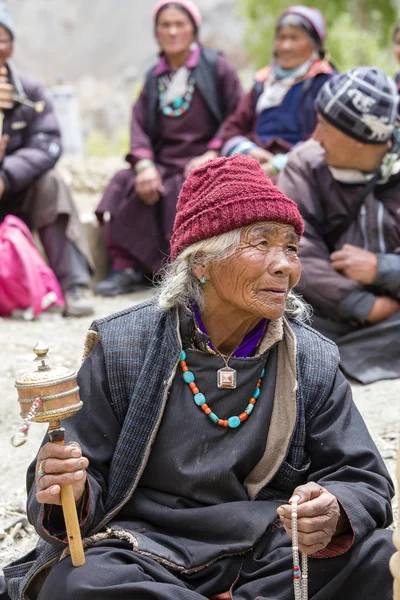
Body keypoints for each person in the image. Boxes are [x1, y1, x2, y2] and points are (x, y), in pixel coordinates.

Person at [3, 154, 394, 600]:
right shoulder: (123, 344)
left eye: (290, 247)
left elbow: (364, 477)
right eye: (261, 242)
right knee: (82, 581)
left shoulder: (311, 358)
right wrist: (68, 489)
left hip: (264, 545)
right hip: (146, 545)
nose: (284, 264)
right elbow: (72, 476)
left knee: (378, 555)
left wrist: (335, 509)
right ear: (201, 263)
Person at [94, 0, 243, 297]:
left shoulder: (217, 68)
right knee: (124, 183)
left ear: (194, 30)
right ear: (157, 33)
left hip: (204, 160)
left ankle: (177, 271)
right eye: (165, 25)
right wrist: (145, 165)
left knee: (183, 186)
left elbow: (237, 116)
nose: (173, 31)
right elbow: (138, 125)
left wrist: (213, 151)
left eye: (180, 24)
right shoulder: (154, 77)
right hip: (162, 162)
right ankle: (127, 267)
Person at [278, 66, 400, 384]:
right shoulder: (305, 163)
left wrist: (382, 269)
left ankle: (328, 357)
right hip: (328, 309)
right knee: (271, 314)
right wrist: (362, 304)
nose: (315, 137)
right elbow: (294, 246)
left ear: (360, 137)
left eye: (325, 126)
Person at [0, 3, 94, 317]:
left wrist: (6, 175)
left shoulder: (29, 91)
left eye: (1, 37)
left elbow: (49, 144)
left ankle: (74, 285)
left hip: (15, 195)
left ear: (11, 46)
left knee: (52, 184)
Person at [220, 5, 335, 178]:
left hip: (301, 170)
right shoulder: (263, 82)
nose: (286, 46)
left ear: (315, 44)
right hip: (253, 165)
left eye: (294, 38)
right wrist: (248, 151)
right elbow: (233, 128)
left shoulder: (326, 83)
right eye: (281, 38)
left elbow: (325, 138)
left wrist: (279, 164)